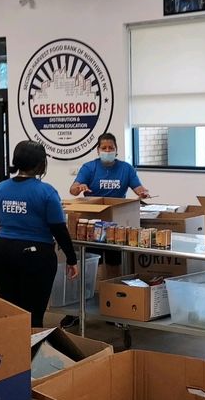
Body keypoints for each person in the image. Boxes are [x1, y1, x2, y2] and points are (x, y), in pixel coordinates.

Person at [60, 133, 150, 328]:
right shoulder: (89, 168)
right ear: (98, 150)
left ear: (116, 149)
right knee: (88, 265)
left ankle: (112, 306)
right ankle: (77, 309)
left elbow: (138, 188)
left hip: (114, 226)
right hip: (90, 226)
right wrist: (80, 187)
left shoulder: (125, 169)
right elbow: (73, 189)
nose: (107, 151)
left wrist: (143, 192)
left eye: (111, 148)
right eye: (104, 148)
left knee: (113, 265)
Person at [0, 140, 79, 328]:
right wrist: (71, 259)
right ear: (40, 164)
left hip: (0, 252)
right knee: (33, 315)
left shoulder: (0, 188)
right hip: (35, 256)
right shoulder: (46, 192)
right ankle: (31, 354)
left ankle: (10, 351)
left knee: (9, 312)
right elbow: (59, 229)